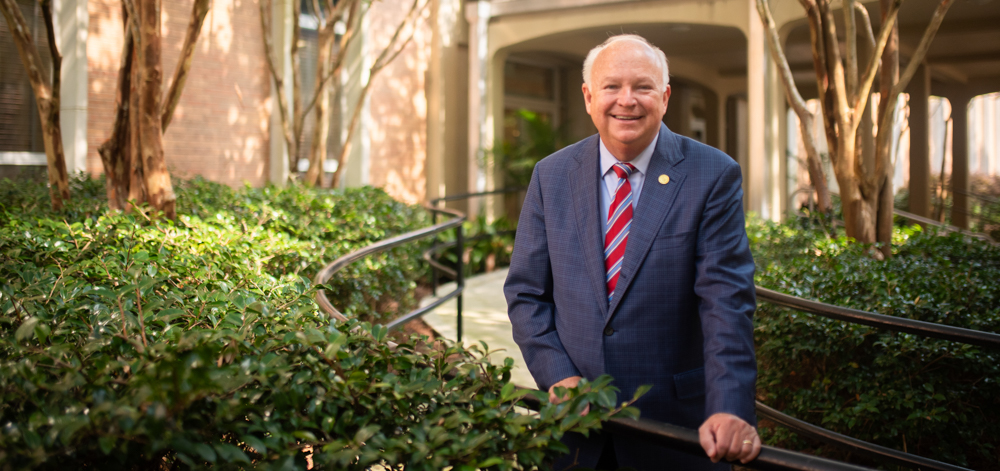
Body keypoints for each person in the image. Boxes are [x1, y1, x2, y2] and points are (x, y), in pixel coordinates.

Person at [504, 34, 760, 470]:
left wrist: (730, 406)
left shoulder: (713, 175)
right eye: (611, 87)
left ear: (665, 96)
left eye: (643, 86)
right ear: (588, 97)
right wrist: (558, 375)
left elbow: (726, 303)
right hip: (576, 429)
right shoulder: (552, 175)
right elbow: (527, 294)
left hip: (673, 429)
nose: (627, 101)